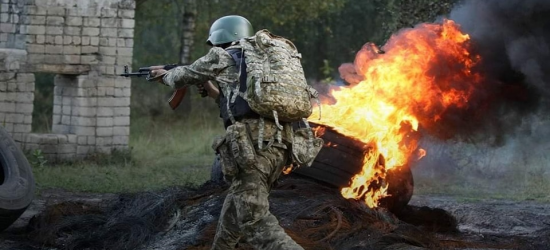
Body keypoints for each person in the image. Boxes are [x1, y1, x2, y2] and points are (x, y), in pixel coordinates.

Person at [150, 15, 304, 250]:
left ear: (220, 38)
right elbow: (239, 103)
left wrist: (163, 74)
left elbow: (180, 76)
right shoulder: (256, 61)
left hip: (254, 151)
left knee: (255, 224)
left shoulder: (221, 56)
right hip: (278, 148)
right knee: (232, 219)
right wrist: (213, 89)